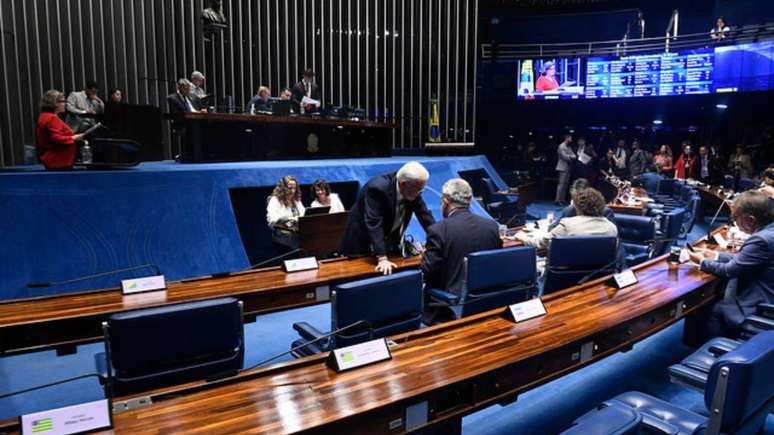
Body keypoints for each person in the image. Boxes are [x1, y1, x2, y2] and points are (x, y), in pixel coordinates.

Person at [688, 191, 774, 339]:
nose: (733, 221)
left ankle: (716, 354)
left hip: (761, 302)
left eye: (735, 217)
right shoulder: (769, 231)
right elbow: (745, 259)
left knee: (711, 309)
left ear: (750, 220)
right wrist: (715, 255)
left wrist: (701, 261)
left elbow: (729, 271)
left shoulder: (761, 239)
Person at [340, 161, 436, 275]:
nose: (420, 193)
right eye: (419, 189)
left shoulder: (412, 189)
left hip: (387, 243)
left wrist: (439, 242)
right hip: (361, 244)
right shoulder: (377, 188)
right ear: (403, 184)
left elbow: (425, 216)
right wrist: (382, 258)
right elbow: (374, 222)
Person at [421, 178, 502, 297]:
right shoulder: (491, 226)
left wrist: (425, 256)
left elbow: (427, 272)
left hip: (450, 302)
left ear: (445, 202)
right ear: (469, 200)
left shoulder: (439, 230)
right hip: (487, 296)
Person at [516, 187, 618, 252]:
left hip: (567, 276)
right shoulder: (612, 228)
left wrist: (522, 237)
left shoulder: (568, 224)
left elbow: (542, 242)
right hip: (599, 275)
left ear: (577, 207)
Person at [36, 90, 86, 170]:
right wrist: (74, 138)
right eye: (63, 101)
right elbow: (56, 138)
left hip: (55, 160)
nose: (65, 104)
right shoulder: (52, 118)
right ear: (54, 103)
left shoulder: (44, 116)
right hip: (59, 161)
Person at [548, 178, 616, 231]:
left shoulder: (606, 212)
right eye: (575, 198)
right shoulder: (569, 210)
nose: (578, 201)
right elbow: (552, 229)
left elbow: (615, 240)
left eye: (582, 197)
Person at [266, 176, 306, 251]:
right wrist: (288, 220)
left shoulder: (296, 200)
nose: (293, 191)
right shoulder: (274, 200)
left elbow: (303, 214)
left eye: (295, 188)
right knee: (303, 243)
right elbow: (272, 221)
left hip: (298, 232)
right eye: (290, 188)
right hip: (283, 235)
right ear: (283, 188)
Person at [554, 134, 576, 206]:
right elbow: (565, 157)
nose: (571, 140)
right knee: (561, 184)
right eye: (570, 138)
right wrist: (570, 156)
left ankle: (562, 199)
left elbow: (574, 155)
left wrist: (570, 156)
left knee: (565, 185)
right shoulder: (561, 146)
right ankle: (557, 200)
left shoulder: (568, 146)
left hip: (568, 168)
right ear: (566, 138)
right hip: (562, 167)